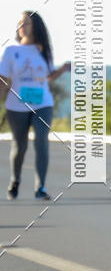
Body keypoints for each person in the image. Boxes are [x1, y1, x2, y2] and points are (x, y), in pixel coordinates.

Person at [0, 11, 70, 200]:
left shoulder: (43, 50)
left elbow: (47, 77)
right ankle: (15, 181)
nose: (21, 27)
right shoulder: (11, 52)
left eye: (26, 23)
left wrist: (62, 69)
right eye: (20, 23)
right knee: (20, 146)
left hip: (42, 103)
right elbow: (4, 80)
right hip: (16, 105)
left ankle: (41, 187)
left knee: (41, 141)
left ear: (35, 27)